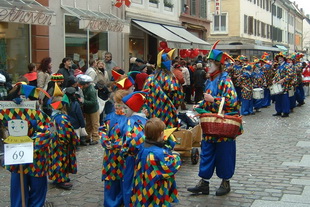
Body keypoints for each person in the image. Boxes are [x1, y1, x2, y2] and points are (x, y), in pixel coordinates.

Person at [187, 41, 240, 196]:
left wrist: (213, 100)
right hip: (210, 126)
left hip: (224, 127)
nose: (207, 65)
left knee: (224, 154)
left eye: (210, 62)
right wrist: (200, 104)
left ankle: (225, 182)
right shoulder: (209, 79)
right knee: (207, 153)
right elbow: (207, 98)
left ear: (218, 64)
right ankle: (204, 183)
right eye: (207, 62)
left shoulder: (225, 80)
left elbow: (233, 102)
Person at [130, 117, 181, 206]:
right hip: (154, 190)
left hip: (142, 186)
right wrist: (176, 156)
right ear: (162, 134)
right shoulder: (157, 154)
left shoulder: (142, 147)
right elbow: (170, 167)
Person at [100, 89, 130, 207]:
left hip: (123, 156)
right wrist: (104, 139)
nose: (116, 106)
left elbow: (130, 137)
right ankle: (111, 203)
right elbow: (103, 129)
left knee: (123, 180)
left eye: (119, 103)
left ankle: (122, 201)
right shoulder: (110, 116)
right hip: (110, 157)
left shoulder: (129, 119)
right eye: (115, 103)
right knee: (111, 181)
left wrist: (116, 144)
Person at [143, 49, 184, 128]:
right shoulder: (172, 79)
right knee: (167, 136)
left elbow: (144, 95)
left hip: (152, 115)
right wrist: (173, 106)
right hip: (168, 115)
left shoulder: (149, 79)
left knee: (154, 134)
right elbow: (179, 97)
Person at [121, 91, 148, 206]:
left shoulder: (131, 122)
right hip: (144, 159)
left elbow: (132, 142)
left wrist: (124, 152)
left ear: (132, 109)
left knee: (128, 184)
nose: (123, 111)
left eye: (126, 108)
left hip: (132, 159)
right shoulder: (146, 120)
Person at [48, 93, 78, 190]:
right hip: (61, 144)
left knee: (56, 160)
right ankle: (61, 179)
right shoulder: (62, 118)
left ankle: (57, 177)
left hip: (54, 142)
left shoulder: (53, 115)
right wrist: (71, 141)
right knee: (61, 161)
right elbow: (66, 133)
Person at [78, 74, 99, 145]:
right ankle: (87, 137)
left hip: (93, 110)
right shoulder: (84, 89)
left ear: (86, 84)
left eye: (82, 84)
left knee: (95, 124)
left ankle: (95, 138)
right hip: (87, 109)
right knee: (88, 124)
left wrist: (83, 101)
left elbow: (93, 102)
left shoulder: (91, 91)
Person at [272, 52, 293, 118]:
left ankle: (285, 112)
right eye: (278, 58)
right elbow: (276, 75)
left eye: (281, 58)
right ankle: (279, 111)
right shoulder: (278, 66)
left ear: (284, 58)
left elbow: (290, 75)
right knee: (277, 98)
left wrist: (283, 80)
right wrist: (274, 80)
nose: (279, 59)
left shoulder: (287, 65)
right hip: (277, 85)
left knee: (284, 98)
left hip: (284, 85)